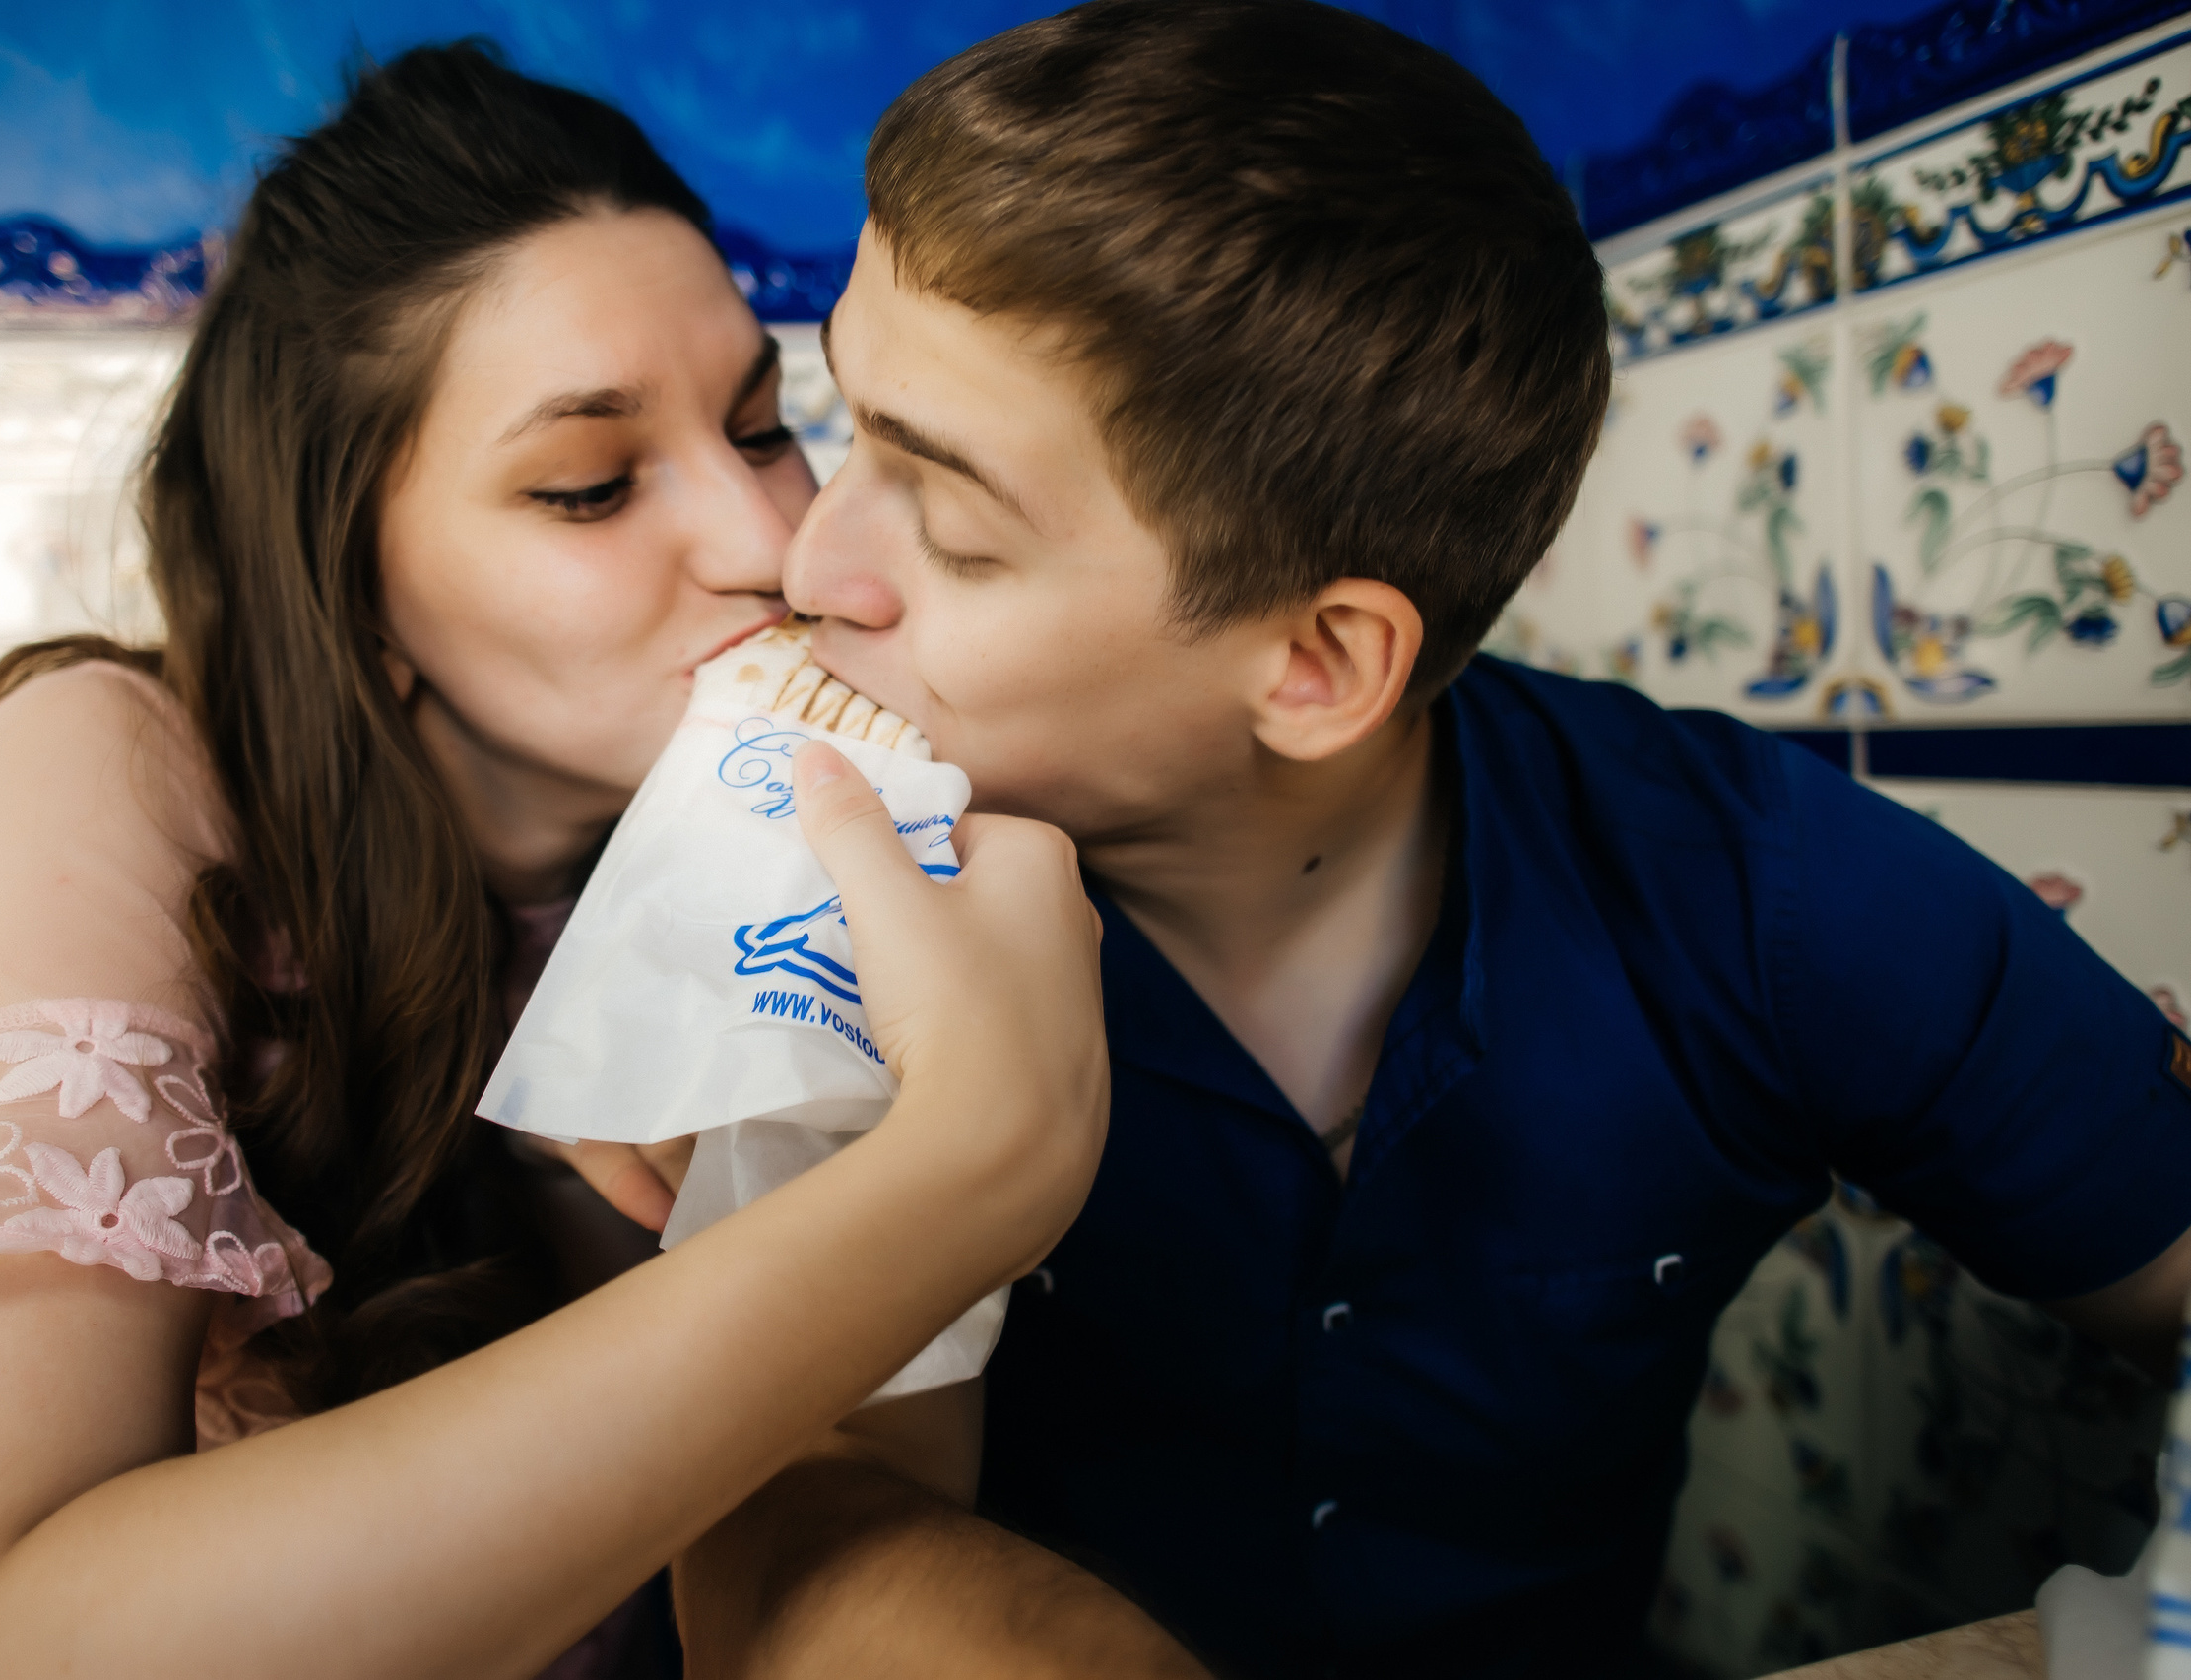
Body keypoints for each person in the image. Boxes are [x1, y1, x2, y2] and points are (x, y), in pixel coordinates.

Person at [560, 5, 2191, 1676]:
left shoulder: (1759, 889)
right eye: (848, 432)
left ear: (1317, 665)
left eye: (957, 528)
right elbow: (803, 1528)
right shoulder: (809, 893)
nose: (808, 564)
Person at [0, 43, 1132, 1680]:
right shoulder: (128, 758)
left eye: (760, 422)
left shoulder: (807, 821)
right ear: (347, 580)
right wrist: (959, 1176)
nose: (765, 541)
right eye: (588, 488)